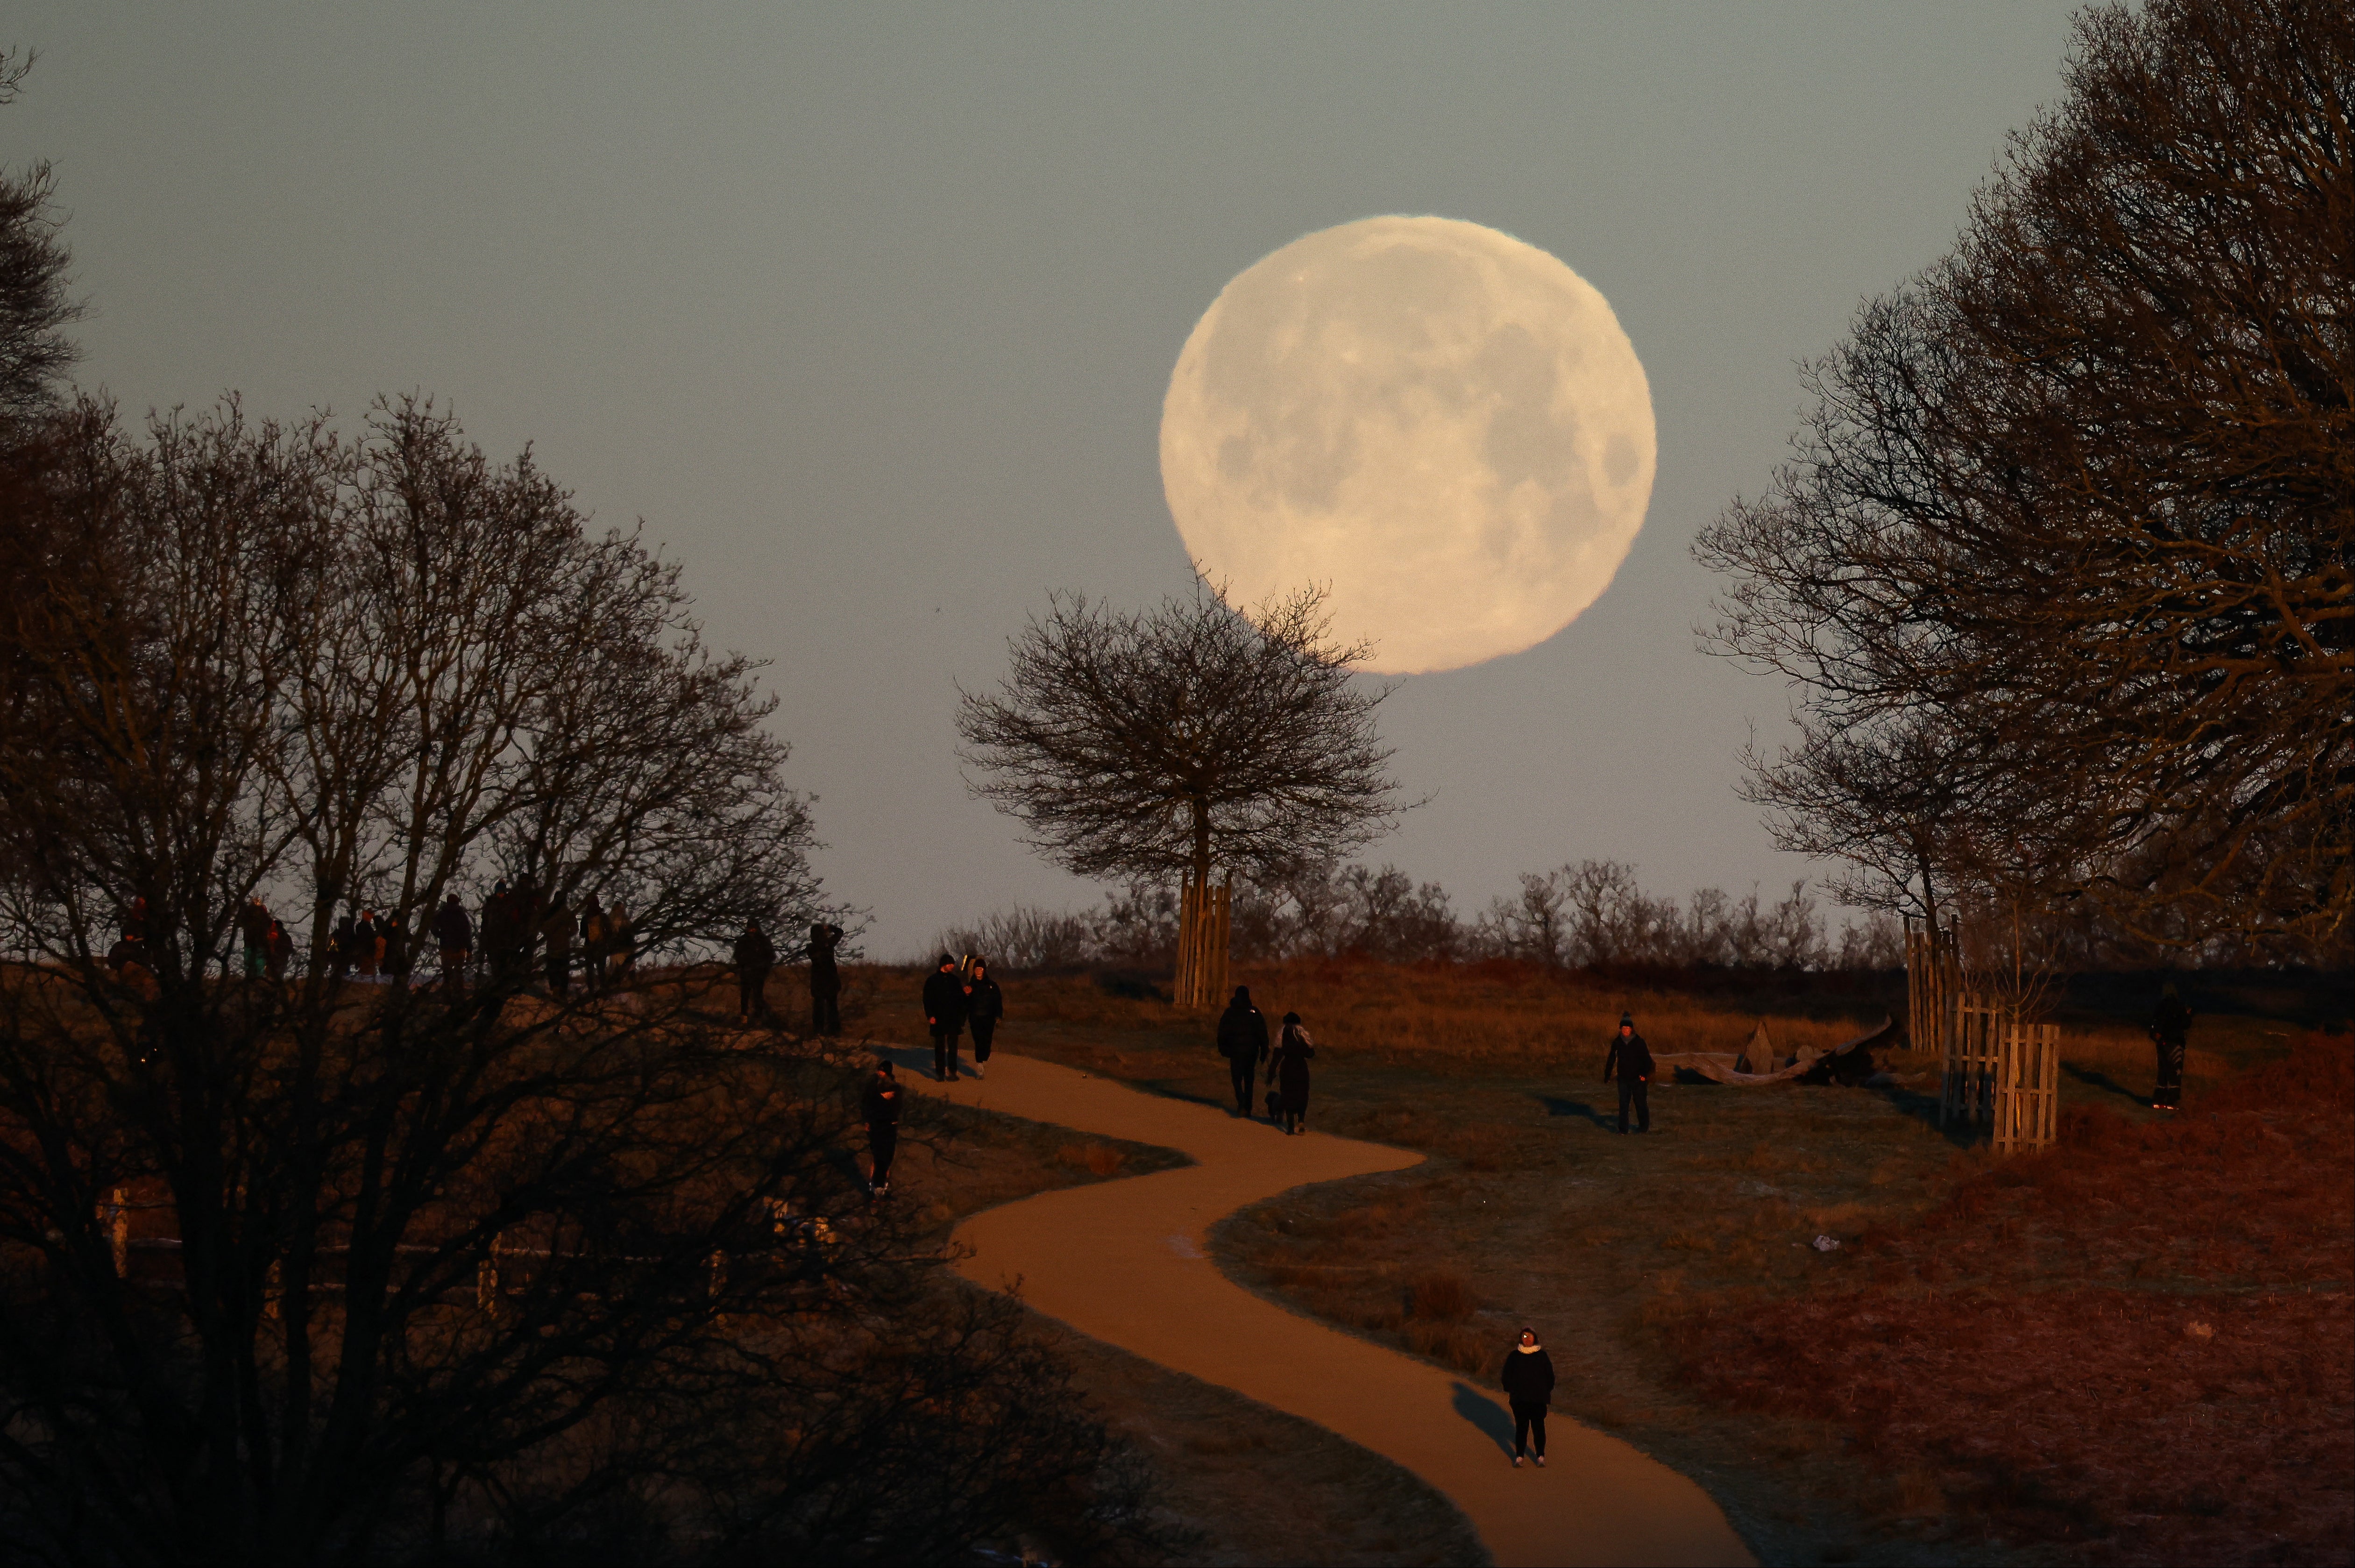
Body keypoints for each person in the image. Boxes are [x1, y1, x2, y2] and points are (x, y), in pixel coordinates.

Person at [1502, 1326, 1556, 1468]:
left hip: (1538, 1400)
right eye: (1525, 1337)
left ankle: (1540, 1456)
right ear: (1521, 1338)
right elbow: (1506, 1376)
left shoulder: (1542, 1356)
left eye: (1530, 1337)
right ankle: (1519, 1456)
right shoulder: (1514, 1356)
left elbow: (1550, 1377)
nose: (1528, 1340)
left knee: (1539, 1428)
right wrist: (1512, 1390)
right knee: (1521, 1428)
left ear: (1535, 1338)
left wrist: (1545, 1391)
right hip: (1520, 1400)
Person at [1216, 985, 1270, 1117]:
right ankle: (1248, 1107)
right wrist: (1264, 1051)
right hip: (1252, 1052)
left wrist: (1223, 1049)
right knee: (1249, 1080)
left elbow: (1222, 1033)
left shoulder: (1230, 1013)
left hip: (1236, 1052)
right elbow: (1262, 1033)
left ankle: (1242, 1103)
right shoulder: (1255, 1012)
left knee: (1237, 1079)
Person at [1602, 1011, 1653, 1134]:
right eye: (1623, 1028)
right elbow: (1611, 1059)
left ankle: (1643, 1127)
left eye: (1628, 1028)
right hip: (1623, 1079)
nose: (1625, 1030)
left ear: (1632, 1029)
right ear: (1621, 1029)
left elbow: (1648, 1060)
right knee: (1624, 1105)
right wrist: (1607, 1075)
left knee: (1640, 1104)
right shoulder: (1617, 1042)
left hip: (1638, 1079)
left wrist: (1644, 1075)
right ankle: (1623, 1130)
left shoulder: (1639, 1042)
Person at [922, 955, 968, 1082]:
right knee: (940, 1047)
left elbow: (961, 1000)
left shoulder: (955, 980)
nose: (953, 966)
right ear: (944, 965)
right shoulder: (932, 981)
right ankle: (940, 1073)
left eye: (953, 964)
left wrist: (966, 994)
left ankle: (953, 1072)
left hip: (953, 1019)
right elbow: (927, 1000)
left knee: (953, 1048)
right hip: (938, 1018)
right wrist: (930, 1016)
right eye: (951, 964)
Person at [2149, 980, 2192, 1111]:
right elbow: (2186, 1024)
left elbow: (2154, 1022)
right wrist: (2187, 1014)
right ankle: (2172, 1102)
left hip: (2161, 1043)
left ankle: (2159, 1100)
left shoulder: (2160, 1005)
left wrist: (2157, 1036)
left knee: (2163, 1071)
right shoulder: (2179, 1006)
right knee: (2175, 1071)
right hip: (2175, 1042)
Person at [862, 1059, 902, 1196]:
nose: (880, 1073)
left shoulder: (896, 1088)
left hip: (890, 1126)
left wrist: (882, 1100)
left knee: (888, 1157)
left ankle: (883, 1185)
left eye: (883, 1071)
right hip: (877, 1125)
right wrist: (867, 1121)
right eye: (879, 1070)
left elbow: (896, 1107)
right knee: (878, 1156)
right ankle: (874, 1185)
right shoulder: (873, 1087)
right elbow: (868, 1104)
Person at [1273, 1012, 1315, 1135]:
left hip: (1287, 1068)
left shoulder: (1282, 1033)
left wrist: (1272, 1071)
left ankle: (1290, 1127)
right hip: (1301, 1068)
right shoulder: (1302, 1034)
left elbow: (1277, 1054)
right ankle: (1301, 1121)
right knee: (1302, 1094)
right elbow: (1311, 1054)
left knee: (1288, 1094)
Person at [733, 917, 777, 1022]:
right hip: (747, 971)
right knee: (745, 995)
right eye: (750, 928)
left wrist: (764, 966)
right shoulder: (743, 940)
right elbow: (737, 955)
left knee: (758, 995)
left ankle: (758, 1017)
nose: (751, 930)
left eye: (753, 928)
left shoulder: (763, 940)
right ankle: (744, 1017)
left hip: (759, 972)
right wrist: (743, 965)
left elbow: (771, 956)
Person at [965, 958, 1003, 1078]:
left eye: (981, 969)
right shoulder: (970, 986)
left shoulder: (993, 986)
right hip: (975, 1018)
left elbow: (998, 1001)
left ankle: (984, 1057)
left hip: (989, 1019)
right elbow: (964, 1003)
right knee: (978, 1041)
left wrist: (998, 1015)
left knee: (987, 1042)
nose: (979, 971)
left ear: (984, 970)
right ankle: (980, 1066)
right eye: (977, 969)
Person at [806, 921, 844, 1035]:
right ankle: (832, 1031)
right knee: (830, 1007)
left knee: (822, 1007)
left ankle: (820, 1030)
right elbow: (839, 933)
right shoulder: (827, 945)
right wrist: (830, 928)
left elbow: (839, 934)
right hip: (828, 981)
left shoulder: (813, 948)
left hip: (822, 982)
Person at [433, 894, 473, 993]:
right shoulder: (462, 915)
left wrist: (441, 935)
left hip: (446, 947)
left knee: (447, 973)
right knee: (458, 972)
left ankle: (447, 993)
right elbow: (467, 933)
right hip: (460, 948)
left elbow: (433, 927)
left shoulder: (442, 914)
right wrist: (469, 950)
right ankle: (459, 994)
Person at [538, 893, 574, 998]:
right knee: (564, 971)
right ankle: (563, 993)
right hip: (564, 947)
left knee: (552, 970)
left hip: (552, 946)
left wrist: (550, 934)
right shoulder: (567, 913)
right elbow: (575, 929)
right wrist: (567, 934)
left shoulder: (550, 913)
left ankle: (555, 988)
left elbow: (542, 927)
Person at [237, 896, 272, 980]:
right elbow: (270, 923)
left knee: (249, 958)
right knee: (259, 959)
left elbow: (241, 922)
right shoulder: (263, 913)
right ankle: (259, 976)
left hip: (249, 939)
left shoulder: (247, 912)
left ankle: (249, 976)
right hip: (261, 940)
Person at [352, 909, 381, 985]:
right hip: (367, 954)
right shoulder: (365, 928)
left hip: (366, 953)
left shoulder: (361, 927)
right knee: (367, 973)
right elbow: (366, 941)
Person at [329, 910, 357, 985]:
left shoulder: (349, 936)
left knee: (343, 979)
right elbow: (331, 948)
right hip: (339, 959)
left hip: (344, 960)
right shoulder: (337, 935)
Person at [265, 919, 294, 983]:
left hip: (281, 961)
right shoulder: (269, 936)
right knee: (269, 978)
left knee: (278, 978)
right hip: (271, 961)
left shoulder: (286, 937)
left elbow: (290, 949)